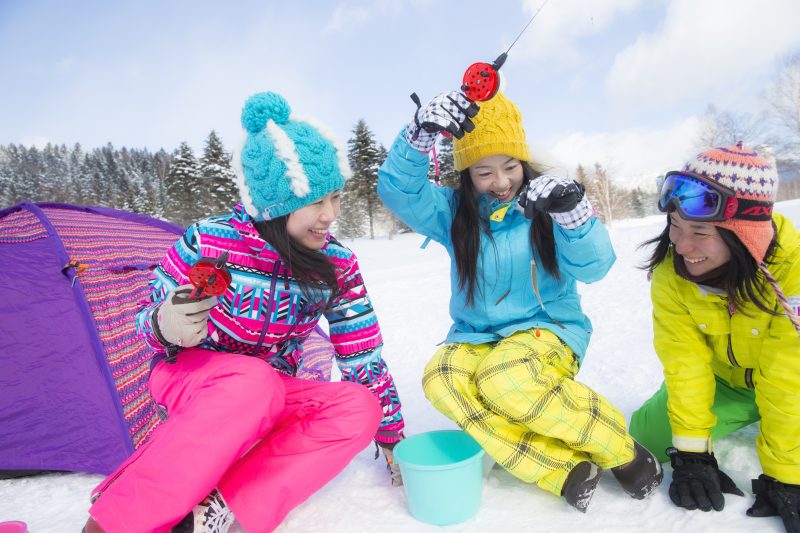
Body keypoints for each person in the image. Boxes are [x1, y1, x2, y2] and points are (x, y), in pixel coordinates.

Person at [82, 91, 405, 533]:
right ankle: (115, 523)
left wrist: (391, 434)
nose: (330, 215)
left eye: (336, 197)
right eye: (315, 202)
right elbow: (146, 321)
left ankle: (217, 514)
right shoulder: (209, 242)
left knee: (356, 407)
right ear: (275, 207)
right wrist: (167, 322)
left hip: (272, 387)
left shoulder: (337, 264)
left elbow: (361, 350)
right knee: (252, 383)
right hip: (193, 379)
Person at [377, 90, 662, 512]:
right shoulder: (454, 213)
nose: (501, 182)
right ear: (467, 174)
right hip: (476, 336)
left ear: (524, 162)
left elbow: (596, 266)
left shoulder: (550, 205)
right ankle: (558, 468)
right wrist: (419, 135)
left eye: (510, 166)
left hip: (548, 330)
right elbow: (399, 192)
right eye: (483, 172)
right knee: (442, 379)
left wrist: (573, 215)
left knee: (502, 379)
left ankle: (622, 450)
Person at [630, 143, 800, 532]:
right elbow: (685, 363)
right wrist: (692, 456)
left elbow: (788, 374)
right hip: (730, 383)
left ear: (746, 235)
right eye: (675, 225)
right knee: (647, 436)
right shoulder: (671, 273)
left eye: (700, 232)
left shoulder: (795, 269)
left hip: (795, 381)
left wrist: (787, 475)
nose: (681, 245)